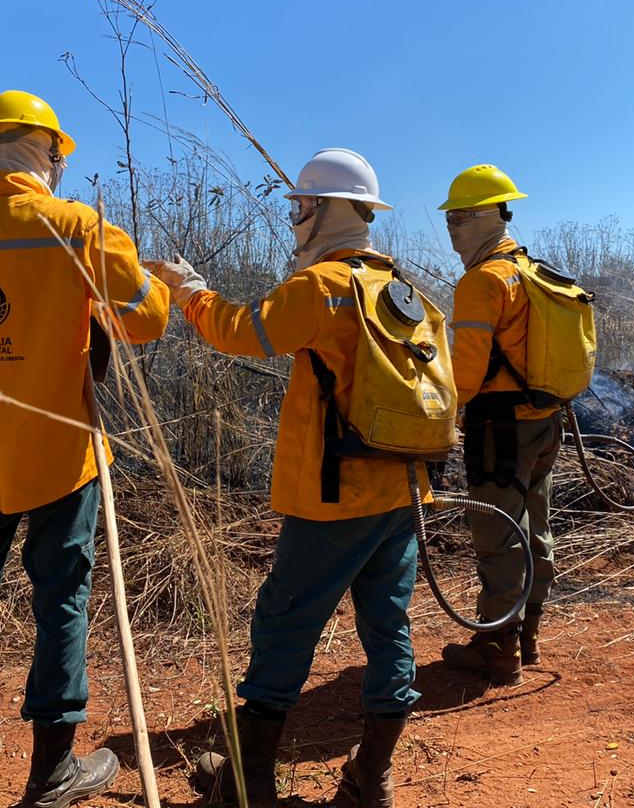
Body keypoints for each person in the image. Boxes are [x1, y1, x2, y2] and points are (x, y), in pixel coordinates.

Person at [147, 149, 424, 808]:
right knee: (389, 625)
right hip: (400, 490)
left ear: (324, 210)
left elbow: (240, 331)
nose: (294, 216)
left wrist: (189, 287)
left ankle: (249, 781)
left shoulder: (323, 287)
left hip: (333, 497)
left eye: (301, 205)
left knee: (284, 623)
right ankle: (373, 776)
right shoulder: (404, 291)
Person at [0, 90, 169, 805]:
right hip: (59, 447)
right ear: (51, 152)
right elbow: (147, 318)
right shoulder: (77, 225)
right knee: (61, 599)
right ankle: (53, 766)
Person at [437, 164, 563, 685]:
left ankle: (496, 647)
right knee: (535, 526)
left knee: (500, 533)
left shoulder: (483, 281)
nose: (451, 229)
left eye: (458, 218)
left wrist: (436, 419)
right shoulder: (532, 270)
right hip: (545, 421)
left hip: (500, 429)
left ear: (485, 216)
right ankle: (526, 635)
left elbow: (465, 376)